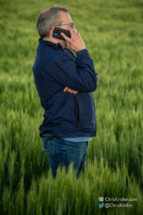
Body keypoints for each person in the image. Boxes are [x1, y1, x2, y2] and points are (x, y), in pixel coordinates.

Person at [32, 6, 99, 180]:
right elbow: (90, 81)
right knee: (64, 198)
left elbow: (91, 79)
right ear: (56, 31)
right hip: (65, 137)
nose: (75, 30)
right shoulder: (54, 57)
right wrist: (82, 51)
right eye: (71, 25)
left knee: (71, 193)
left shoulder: (61, 53)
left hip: (71, 135)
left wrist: (81, 82)